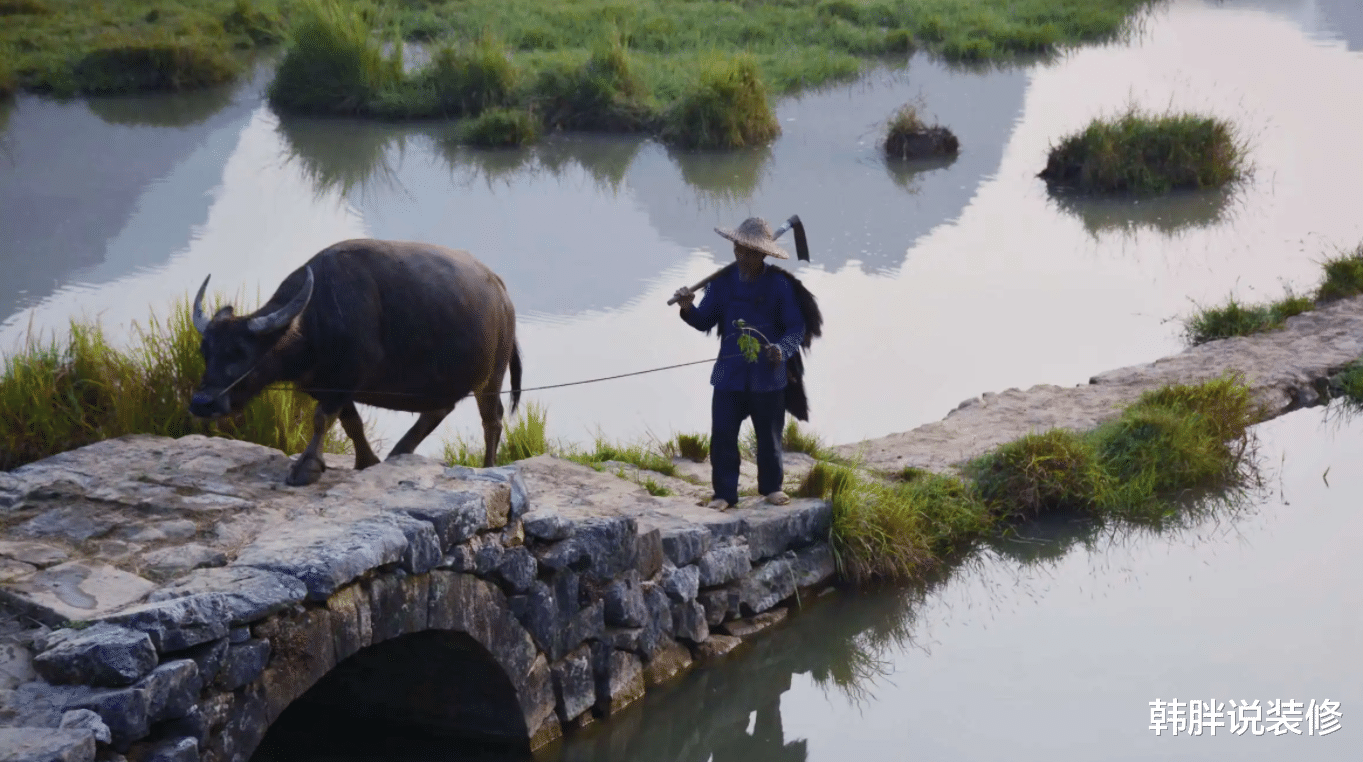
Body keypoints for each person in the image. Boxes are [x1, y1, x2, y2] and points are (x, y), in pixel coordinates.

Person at [673, 217, 807, 511]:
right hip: (729, 375)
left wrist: (781, 350)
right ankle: (723, 494)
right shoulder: (721, 283)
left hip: (768, 375)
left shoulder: (779, 285)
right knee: (722, 435)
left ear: (762, 254)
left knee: (769, 436)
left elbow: (796, 329)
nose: (741, 256)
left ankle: (771, 488)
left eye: (748, 252)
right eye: (738, 249)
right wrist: (687, 307)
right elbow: (704, 320)